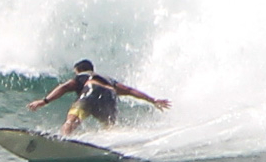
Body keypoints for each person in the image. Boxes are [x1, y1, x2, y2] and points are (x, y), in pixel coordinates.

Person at [27, 59, 170, 137]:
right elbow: (129, 90)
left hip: (92, 91)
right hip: (110, 97)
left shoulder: (83, 76)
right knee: (110, 127)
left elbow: (64, 87)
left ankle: (64, 140)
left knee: (72, 120)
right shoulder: (109, 80)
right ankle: (113, 143)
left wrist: (44, 101)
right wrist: (152, 100)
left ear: (79, 70)